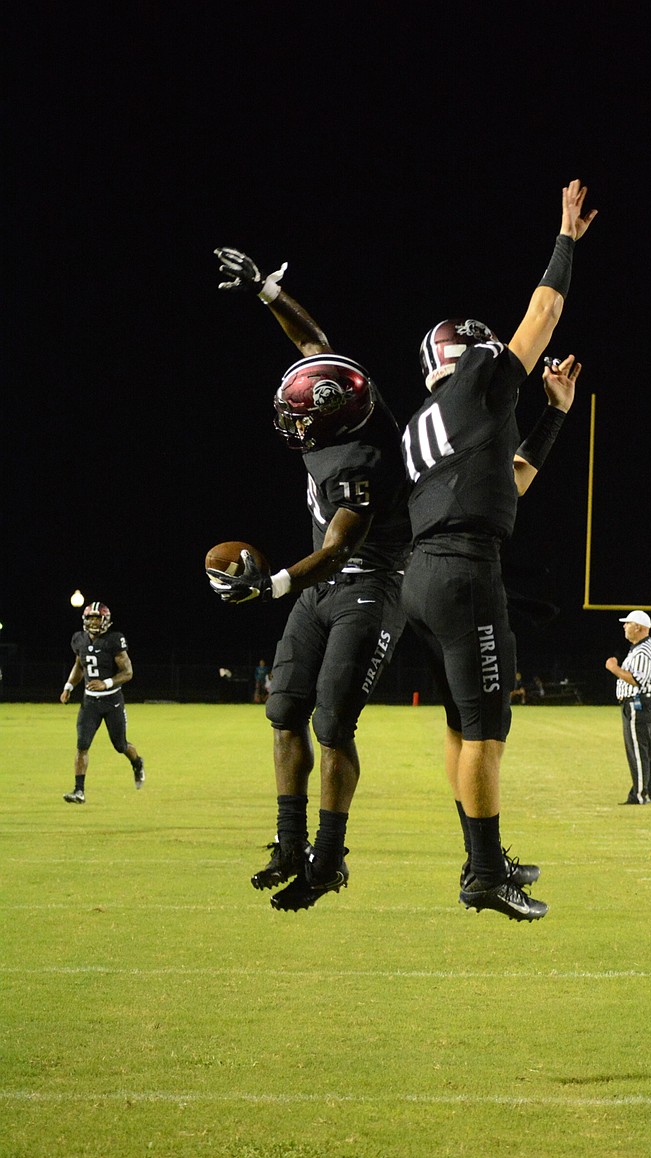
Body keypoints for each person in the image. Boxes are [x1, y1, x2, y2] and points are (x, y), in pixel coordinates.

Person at [400, 180, 597, 923]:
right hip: (463, 573)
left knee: (459, 725)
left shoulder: (429, 422)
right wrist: (567, 238)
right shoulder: (477, 382)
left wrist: (551, 416)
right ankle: (484, 876)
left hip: (423, 577)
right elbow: (543, 314)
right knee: (488, 727)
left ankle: (482, 859)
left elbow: (509, 481)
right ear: (463, 354)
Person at [209, 247, 411, 912]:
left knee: (332, 722)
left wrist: (268, 586)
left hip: (367, 585)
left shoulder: (362, 457)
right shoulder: (350, 397)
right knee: (283, 710)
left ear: (330, 421)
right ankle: (289, 842)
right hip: (324, 587)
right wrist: (268, 292)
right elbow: (313, 343)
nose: (291, 426)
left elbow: (334, 549)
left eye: (300, 418)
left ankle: (330, 859)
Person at [59, 602, 145, 803]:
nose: (94, 622)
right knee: (82, 745)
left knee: (120, 745)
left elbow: (128, 672)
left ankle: (137, 762)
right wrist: (68, 687)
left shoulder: (114, 640)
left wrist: (106, 683)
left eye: (98, 618)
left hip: (112, 701)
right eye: (91, 618)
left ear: (105, 620)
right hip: (90, 703)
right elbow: (80, 665)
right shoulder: (79, 639)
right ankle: (79, 791)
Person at [605, 609, 651, 805]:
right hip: (647, 702)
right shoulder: (643, 647)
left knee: (638, 750)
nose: (624, 626)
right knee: (650, 751)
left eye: (628, 623)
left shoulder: (643, 650)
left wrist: (614, 668)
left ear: (638, 627)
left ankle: (639, 795)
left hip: (639, 704)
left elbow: (637, 679)